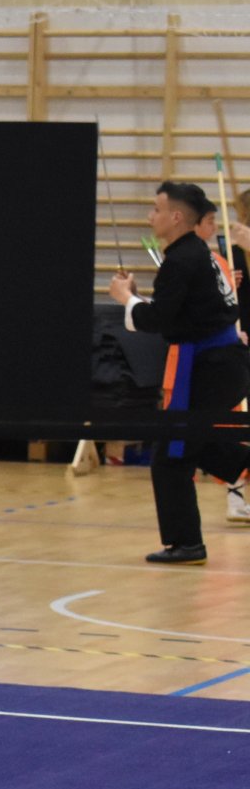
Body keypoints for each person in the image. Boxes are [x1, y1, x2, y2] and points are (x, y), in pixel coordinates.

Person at [108, 181, 250, 564]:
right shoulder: (198, 255)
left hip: (207, 366)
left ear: (175, 216)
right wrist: (138, 299)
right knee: (196, 444)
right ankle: (242, 467)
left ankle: (187, 544)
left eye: (156, 209)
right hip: (223, 363)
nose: (150, 216)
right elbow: (181, 311)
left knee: (171, 456)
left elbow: (159, 320)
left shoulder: (181, 259)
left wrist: (126, 299)